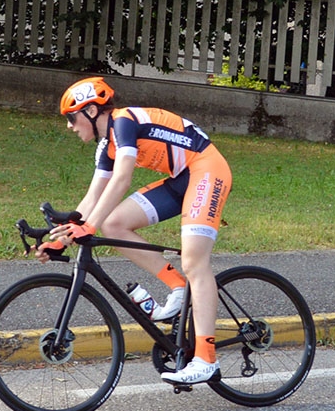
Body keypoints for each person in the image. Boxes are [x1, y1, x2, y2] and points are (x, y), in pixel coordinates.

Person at [38, 76, 231, 385]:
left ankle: (206, 359)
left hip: (207, 168)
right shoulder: (107, 145)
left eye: (72, 118)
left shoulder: (123, 122)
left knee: (195, 261)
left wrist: (89, 226)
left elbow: (122, 180)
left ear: (90, 111)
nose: (69, 126)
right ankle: (179, 287)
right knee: (114, 222)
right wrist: (61, 242)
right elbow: (93, 197)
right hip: (182, 177)